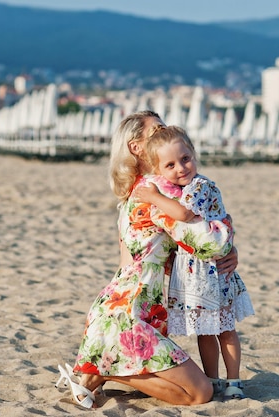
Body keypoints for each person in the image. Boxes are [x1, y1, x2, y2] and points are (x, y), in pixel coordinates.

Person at [56, 110, 239, 409]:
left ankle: (97, 370)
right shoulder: (155, 192)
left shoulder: (139, 189)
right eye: (157, 131)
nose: (166, 134)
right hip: (128, 312)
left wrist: (228, 248)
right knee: (199, 393)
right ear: (136, 147)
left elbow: (178, 248)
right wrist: (229, 238)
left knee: (196, 390)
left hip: (124, 307)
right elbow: (208, 241)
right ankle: (99, 369)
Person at [134, 124, 254, 400]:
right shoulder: (177, 188)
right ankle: (213, 379)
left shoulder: (201, 186)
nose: (181, 168)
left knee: (224, 328)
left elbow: (183, 215)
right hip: (190, 271)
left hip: (211, 271)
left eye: (185, 159)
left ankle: (234, 380)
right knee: (204, 330)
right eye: (170, 165)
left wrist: (153, 197)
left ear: (194, 154)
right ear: (160, 170)